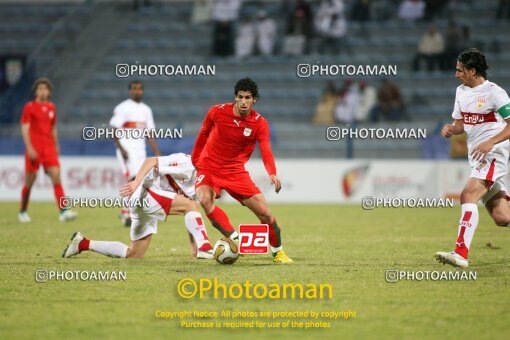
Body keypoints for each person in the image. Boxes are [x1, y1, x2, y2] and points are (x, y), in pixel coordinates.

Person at [191, 77, 293, 264]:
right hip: (209, 167)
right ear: (235, 98)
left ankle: (278, 252)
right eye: (240, 97)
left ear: (254, 100)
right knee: (205, 199)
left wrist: (272, 172)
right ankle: (236, 239)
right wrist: (195, 161)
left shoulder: (259, 123)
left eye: (248, 97)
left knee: (266, 214)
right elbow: (203, 134)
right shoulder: (217, 112)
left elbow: (266, 150)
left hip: (235, 172)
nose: (244, 101)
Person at [435, 48, 510, 268]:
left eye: (460, 70)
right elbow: (461, 125)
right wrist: (451, 129)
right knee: (501, 217)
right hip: (477, 157)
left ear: (473, 71)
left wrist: (491, 142)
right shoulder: (461, 92)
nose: (456, 74)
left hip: (494, 154)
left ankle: (460, 253)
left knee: (468, 195)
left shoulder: (495, 93)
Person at [62, 153, 214, 260]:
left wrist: (193, 244)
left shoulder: (202, 185)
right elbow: (151, 161)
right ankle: (205, 248)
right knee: (192, 206)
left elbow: (191, 215)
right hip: (145, 192)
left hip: (145, 200)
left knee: (134, 255)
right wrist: (135, 182)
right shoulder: (187, 162)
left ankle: (83, 243)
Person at [19, 78, 77, 223]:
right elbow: (25, 128)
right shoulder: (29, 107)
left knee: (56, 176)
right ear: (36, 91)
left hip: (49, 147)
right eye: (40, 88)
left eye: (45, 88)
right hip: (35, 148)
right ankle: (22, 211)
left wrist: (56, 145)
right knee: (29, 182)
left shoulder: (52, 107)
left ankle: (64, 211)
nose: (42, 91)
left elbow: (53, 128)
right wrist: (29, 147)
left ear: (49, 91)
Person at [109, 80, 160, 226]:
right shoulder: (122, 108)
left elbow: (150, 133)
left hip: (140, 151)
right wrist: (121, 149)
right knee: (132, 179)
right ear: (129, 91)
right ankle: (127, 212)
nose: (136, 91)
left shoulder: (146, 110)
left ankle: (129, 211)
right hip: (126, 150)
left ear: (142, 91)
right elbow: (114, 129)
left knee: (140, 180)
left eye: (139, 89)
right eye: (134, 89)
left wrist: (156, 152)